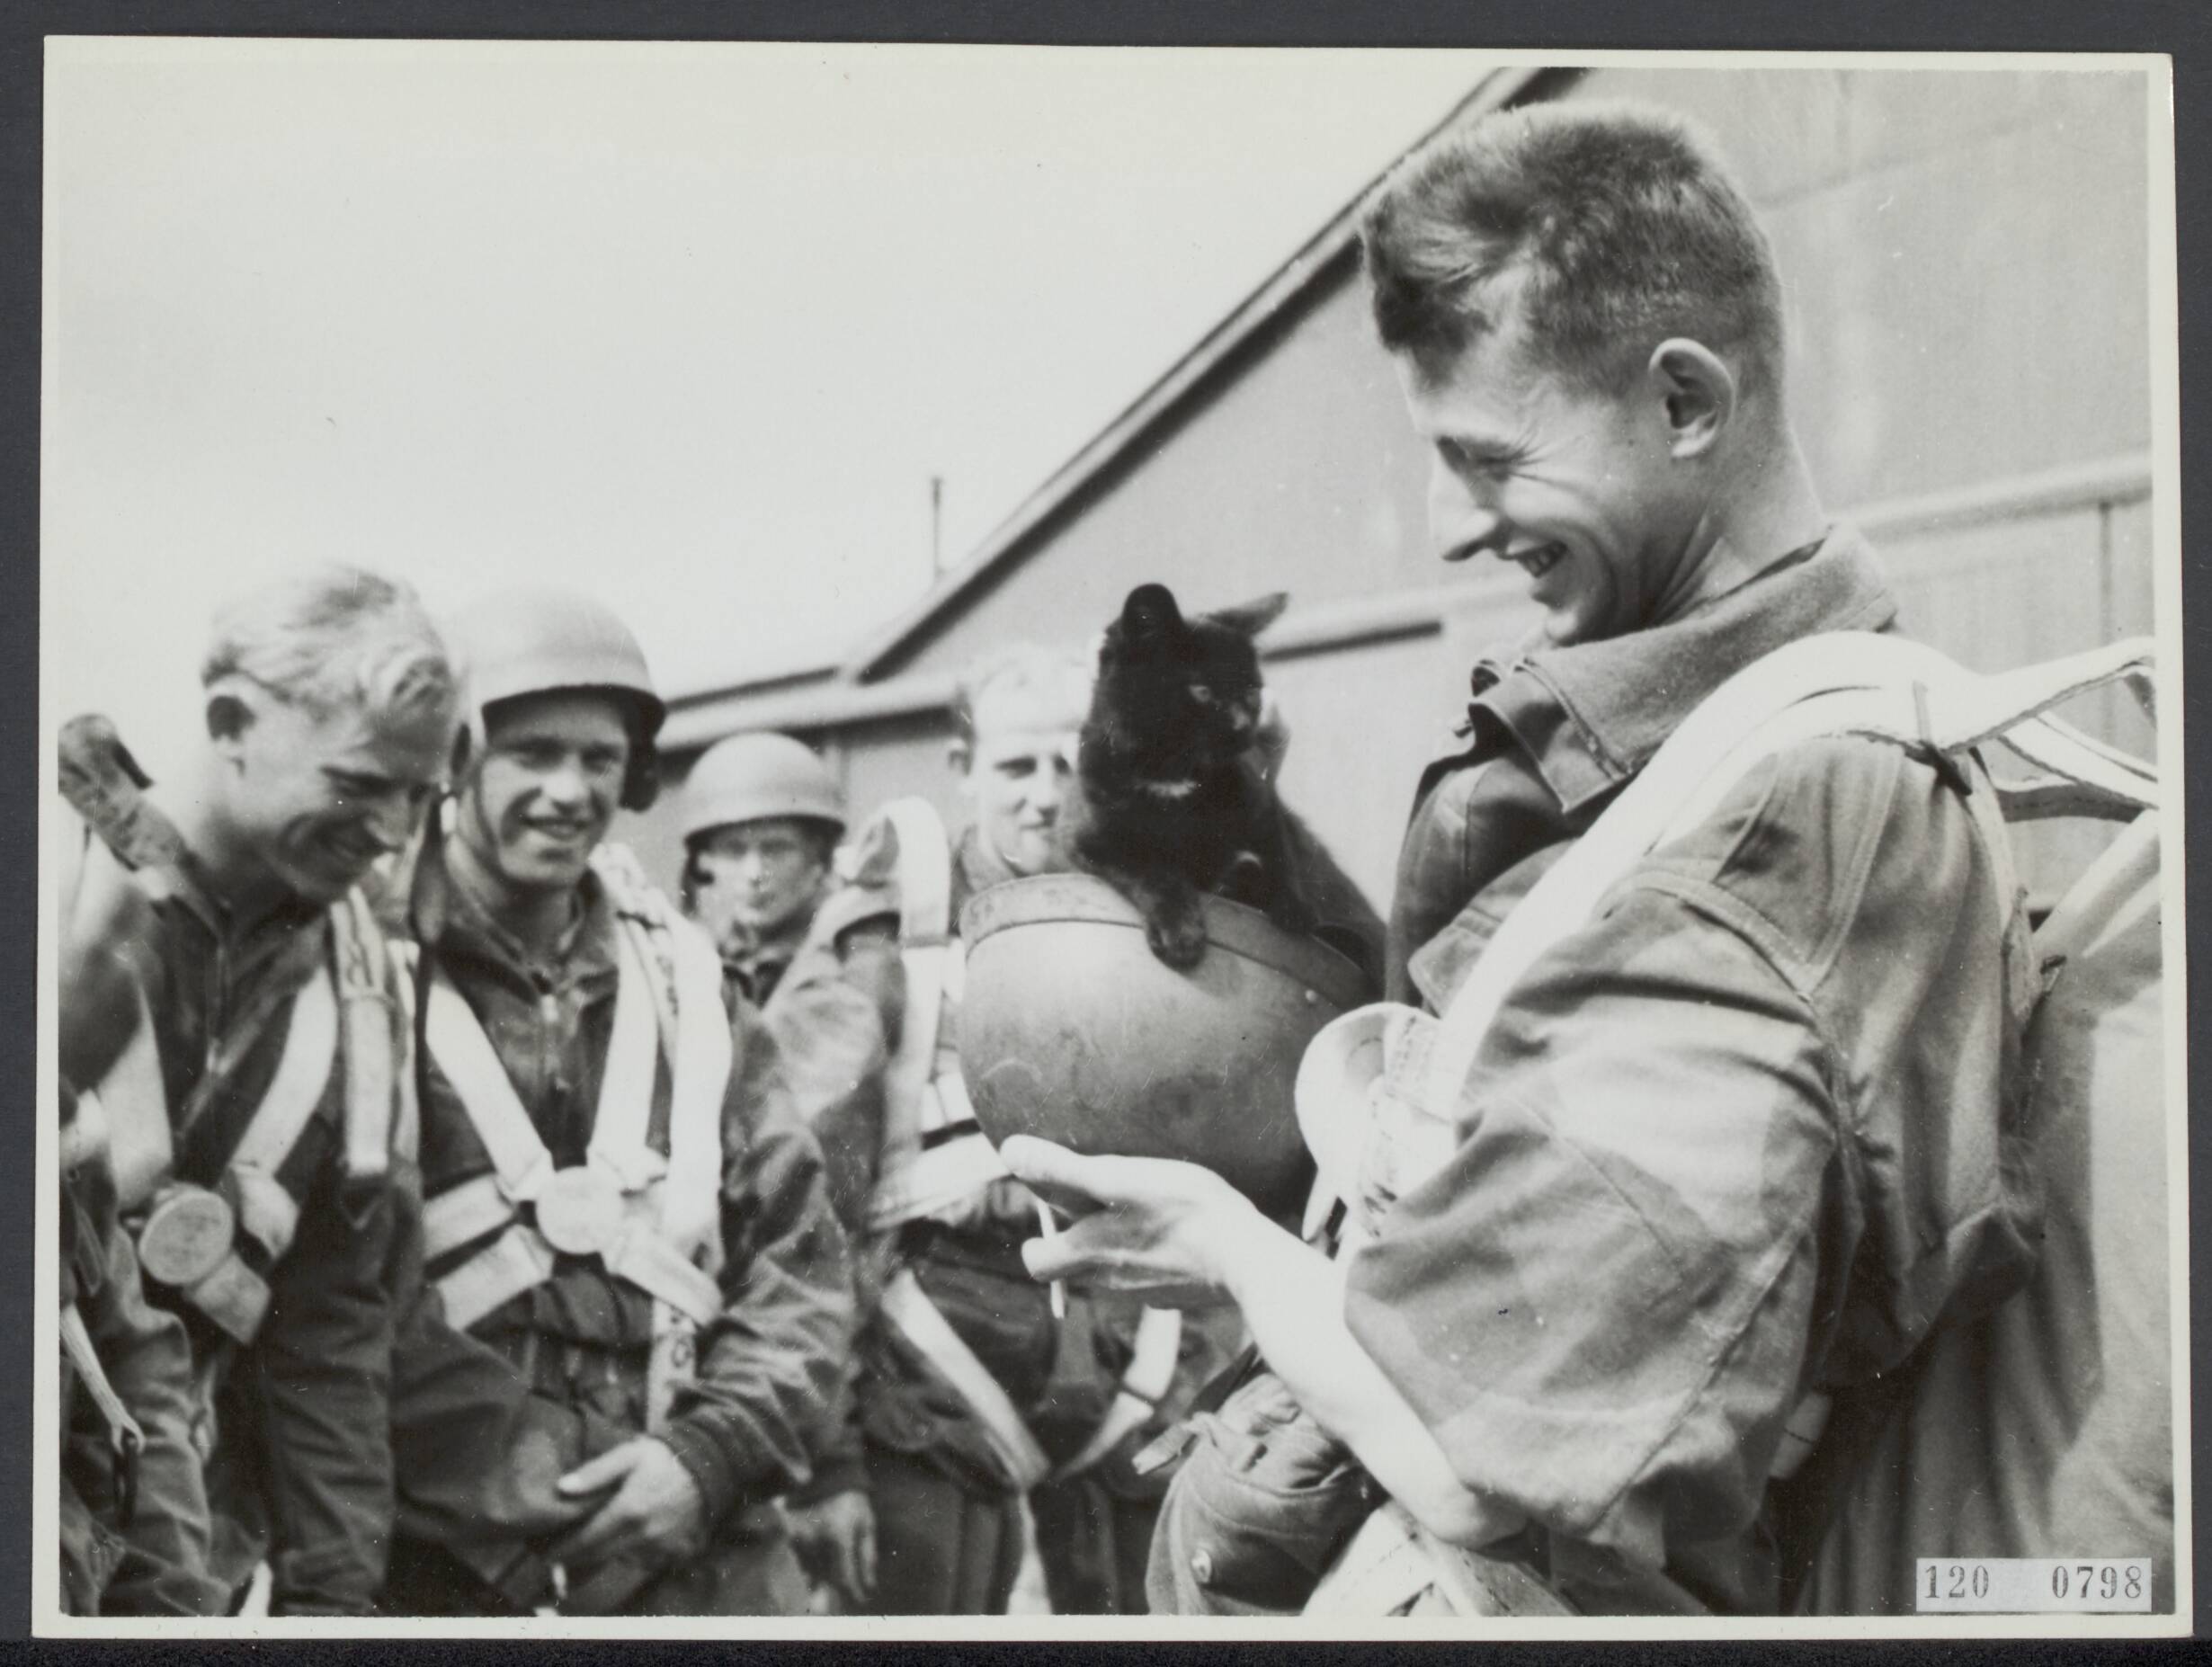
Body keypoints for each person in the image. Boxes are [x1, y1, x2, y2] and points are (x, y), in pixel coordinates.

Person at [1002, 100, 2042, 1618]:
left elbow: (1471, 1448)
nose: (1444, 528)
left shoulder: (1768, 837)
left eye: (1486, 457)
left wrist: (1219, 1243)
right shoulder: (1721, 757)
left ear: (1684, 402)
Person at [379, 585, 853, 1617]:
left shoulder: (693, 992)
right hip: (443, 1556)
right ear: (457, 760)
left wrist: (706, 1459)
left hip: (701, 1531)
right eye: (533, 754)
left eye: (599, 759)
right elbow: (347, 1306)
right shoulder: (370, 976)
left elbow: (799, 1263)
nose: (569, 791)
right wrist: (566, 1488)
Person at [53, 568, 460, 1614]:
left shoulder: (360, 984)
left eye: (420, 796)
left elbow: (331, 1325)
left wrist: (333, 1607)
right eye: (360, 784)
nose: (394, 832)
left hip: (190, 1550)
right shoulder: (55, 891)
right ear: (231, 724)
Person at [675, 731, 899, 1608]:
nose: (754, 873)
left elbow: (823, 1227)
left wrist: (829, 1461)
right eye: (732, 850)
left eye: (776, 848)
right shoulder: (679, 970)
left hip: (840, 1371)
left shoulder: (845, 987)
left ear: (820, 860)